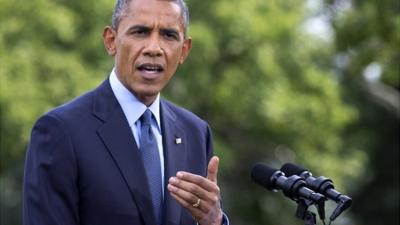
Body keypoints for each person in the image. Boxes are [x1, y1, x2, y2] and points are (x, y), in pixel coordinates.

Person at [22, 0, 230, 224]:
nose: (154, 48)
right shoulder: (61, 131)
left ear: (184, 50)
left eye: (169, 35)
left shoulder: (195, 132)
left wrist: (214, 221)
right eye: (140, 32)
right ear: (111, 41)